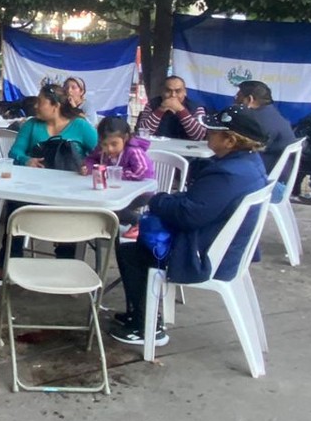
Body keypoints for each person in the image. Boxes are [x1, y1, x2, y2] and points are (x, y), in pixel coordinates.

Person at [107, 109, 270, 348]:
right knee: (138, 239)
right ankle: (141, 314)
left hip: (204, 255)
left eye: (213, 132)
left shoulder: (227, 174)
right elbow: (198, 205)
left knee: (131, 250)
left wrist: (156, 200)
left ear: (230, 140)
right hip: (228, 249)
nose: (206, 135)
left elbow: (188, 215)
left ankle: (147, 326)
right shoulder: (249, 164)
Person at [9, 84, 99, 167]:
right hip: (36, 180)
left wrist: (88, 165)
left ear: (56, 106)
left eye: (40, 102)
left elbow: (102, 152)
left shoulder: (80, 126)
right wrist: (26, 160)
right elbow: (14, 152)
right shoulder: (31, 125)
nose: (35, 106)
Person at [232, 80, 296, 182]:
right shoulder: (270, 113)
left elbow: (242, 149)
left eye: (238, 97)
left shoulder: (256, 122)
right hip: (279, 174)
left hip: (267, 180)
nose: (234, 101)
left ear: (249, 100)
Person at [81, 116, 153, 182]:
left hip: (140, 193)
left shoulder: (134, 151)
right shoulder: (101, 150)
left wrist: (114, 173)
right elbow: (90, 159)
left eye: (114, 144)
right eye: (104, 144)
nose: (109, 149)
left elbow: (142, 171)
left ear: (125, 138)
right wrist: (89, 168)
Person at [135, 76, 208, 140]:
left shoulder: (197, 107)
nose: (173, 95)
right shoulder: (151, 104)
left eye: (178, 91)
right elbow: (143, 133)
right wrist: (160, 110)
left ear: (185, 92)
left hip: (187, 152)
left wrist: (181, 110)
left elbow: (199, 136)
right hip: (158, 149)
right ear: (162, 91)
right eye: (168, 91)